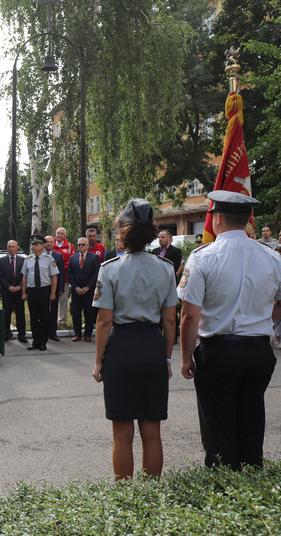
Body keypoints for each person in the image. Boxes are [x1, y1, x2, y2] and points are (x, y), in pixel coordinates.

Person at [178, 191, 281, 470]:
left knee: (218, 426)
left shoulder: (202, 257)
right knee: (251, 420)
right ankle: (251, 480)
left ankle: (224, 491)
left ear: (217, 218)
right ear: (247, 222)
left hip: (219, 351)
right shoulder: (269, 255)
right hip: (258, 351)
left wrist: (186, 358)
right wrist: (258, 312)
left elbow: (189, 315)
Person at [92, 198, 178, 479]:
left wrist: (98, 362)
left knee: (122, 434)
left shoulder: (110, 268)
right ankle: (150, 495)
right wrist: (166, 358)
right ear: (151, 232)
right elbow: (169, 321)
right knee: (152, 432)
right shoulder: (165, 268)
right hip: (153, 346)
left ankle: (124, 500)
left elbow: (104, 321)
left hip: (121, 349)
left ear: (123, 232)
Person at [22, 235, 58, 351]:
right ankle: (35, 341)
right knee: (33, 317)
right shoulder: (28, 260)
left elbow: (54, 277)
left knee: (44, 317)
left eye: (36, 244)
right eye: (32, 244)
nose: (33, 246)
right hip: (32, 291)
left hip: (44, 290)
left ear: (42, 245)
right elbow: (24, 277)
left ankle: (43, 341)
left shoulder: (49, 259)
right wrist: (24, 292)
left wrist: (53, 293)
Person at [67, 237, 100, 342]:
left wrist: (88, 287)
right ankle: (77, 333)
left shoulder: (94, 257)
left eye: (83, 244)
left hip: (89, 291)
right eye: (79, 245)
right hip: (76, 291)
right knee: (76, 312)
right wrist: (75, 287)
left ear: (87, 246)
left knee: (89, 313)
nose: (80, 247)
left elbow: (96, 274)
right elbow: (70, 274)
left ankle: (88, 334)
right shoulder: (72, 258)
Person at [0, 240, 27, 343]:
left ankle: (22, 335)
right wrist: (9, 287)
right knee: (6, 314)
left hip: (19, 291)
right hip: (6, 291)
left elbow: (25, 275)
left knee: (20, 314)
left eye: (13, 246)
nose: (11, 248)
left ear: (17, 248)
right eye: (9, 246)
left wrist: (19, 287)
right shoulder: (1, 260)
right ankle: (5, 334)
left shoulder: (23, 260)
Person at [43, 236, 65, 341]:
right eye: (47, 242)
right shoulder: (39, 255)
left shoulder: (58, 256)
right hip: (42, 288)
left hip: (54, 288)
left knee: (53, 310)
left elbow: (61, 274)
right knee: (42, 311)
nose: (49, 244)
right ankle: (43, 332)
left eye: (51, 242)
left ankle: (53, 332)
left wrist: (60, 289)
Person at [53, 227, 75, 327]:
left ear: (65, 236)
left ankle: (62, 321)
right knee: (51, 299)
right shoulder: (50, 245)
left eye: (62, 234)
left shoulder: (70, 247)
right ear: (55, 234)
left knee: (63, 300)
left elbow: (72, 262)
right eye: (58, 233)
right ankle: (50, 319)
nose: (59, 235)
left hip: (64, 278)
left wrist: (63, 268)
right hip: (50, 278)